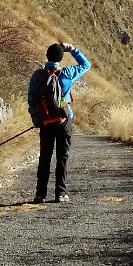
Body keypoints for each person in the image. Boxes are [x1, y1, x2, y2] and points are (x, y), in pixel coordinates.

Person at [27, 41, 90, 203]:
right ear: (61, 58)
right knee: (62, 157)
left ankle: (40, 194)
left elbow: (31, 99)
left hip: (46, 121)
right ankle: (60, 193)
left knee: (45, 157)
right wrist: (73, 49)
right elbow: (86, 64)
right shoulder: (68, 72)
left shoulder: (38, 75)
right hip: (64, 120)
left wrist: (35, 117)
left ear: (47, 56)